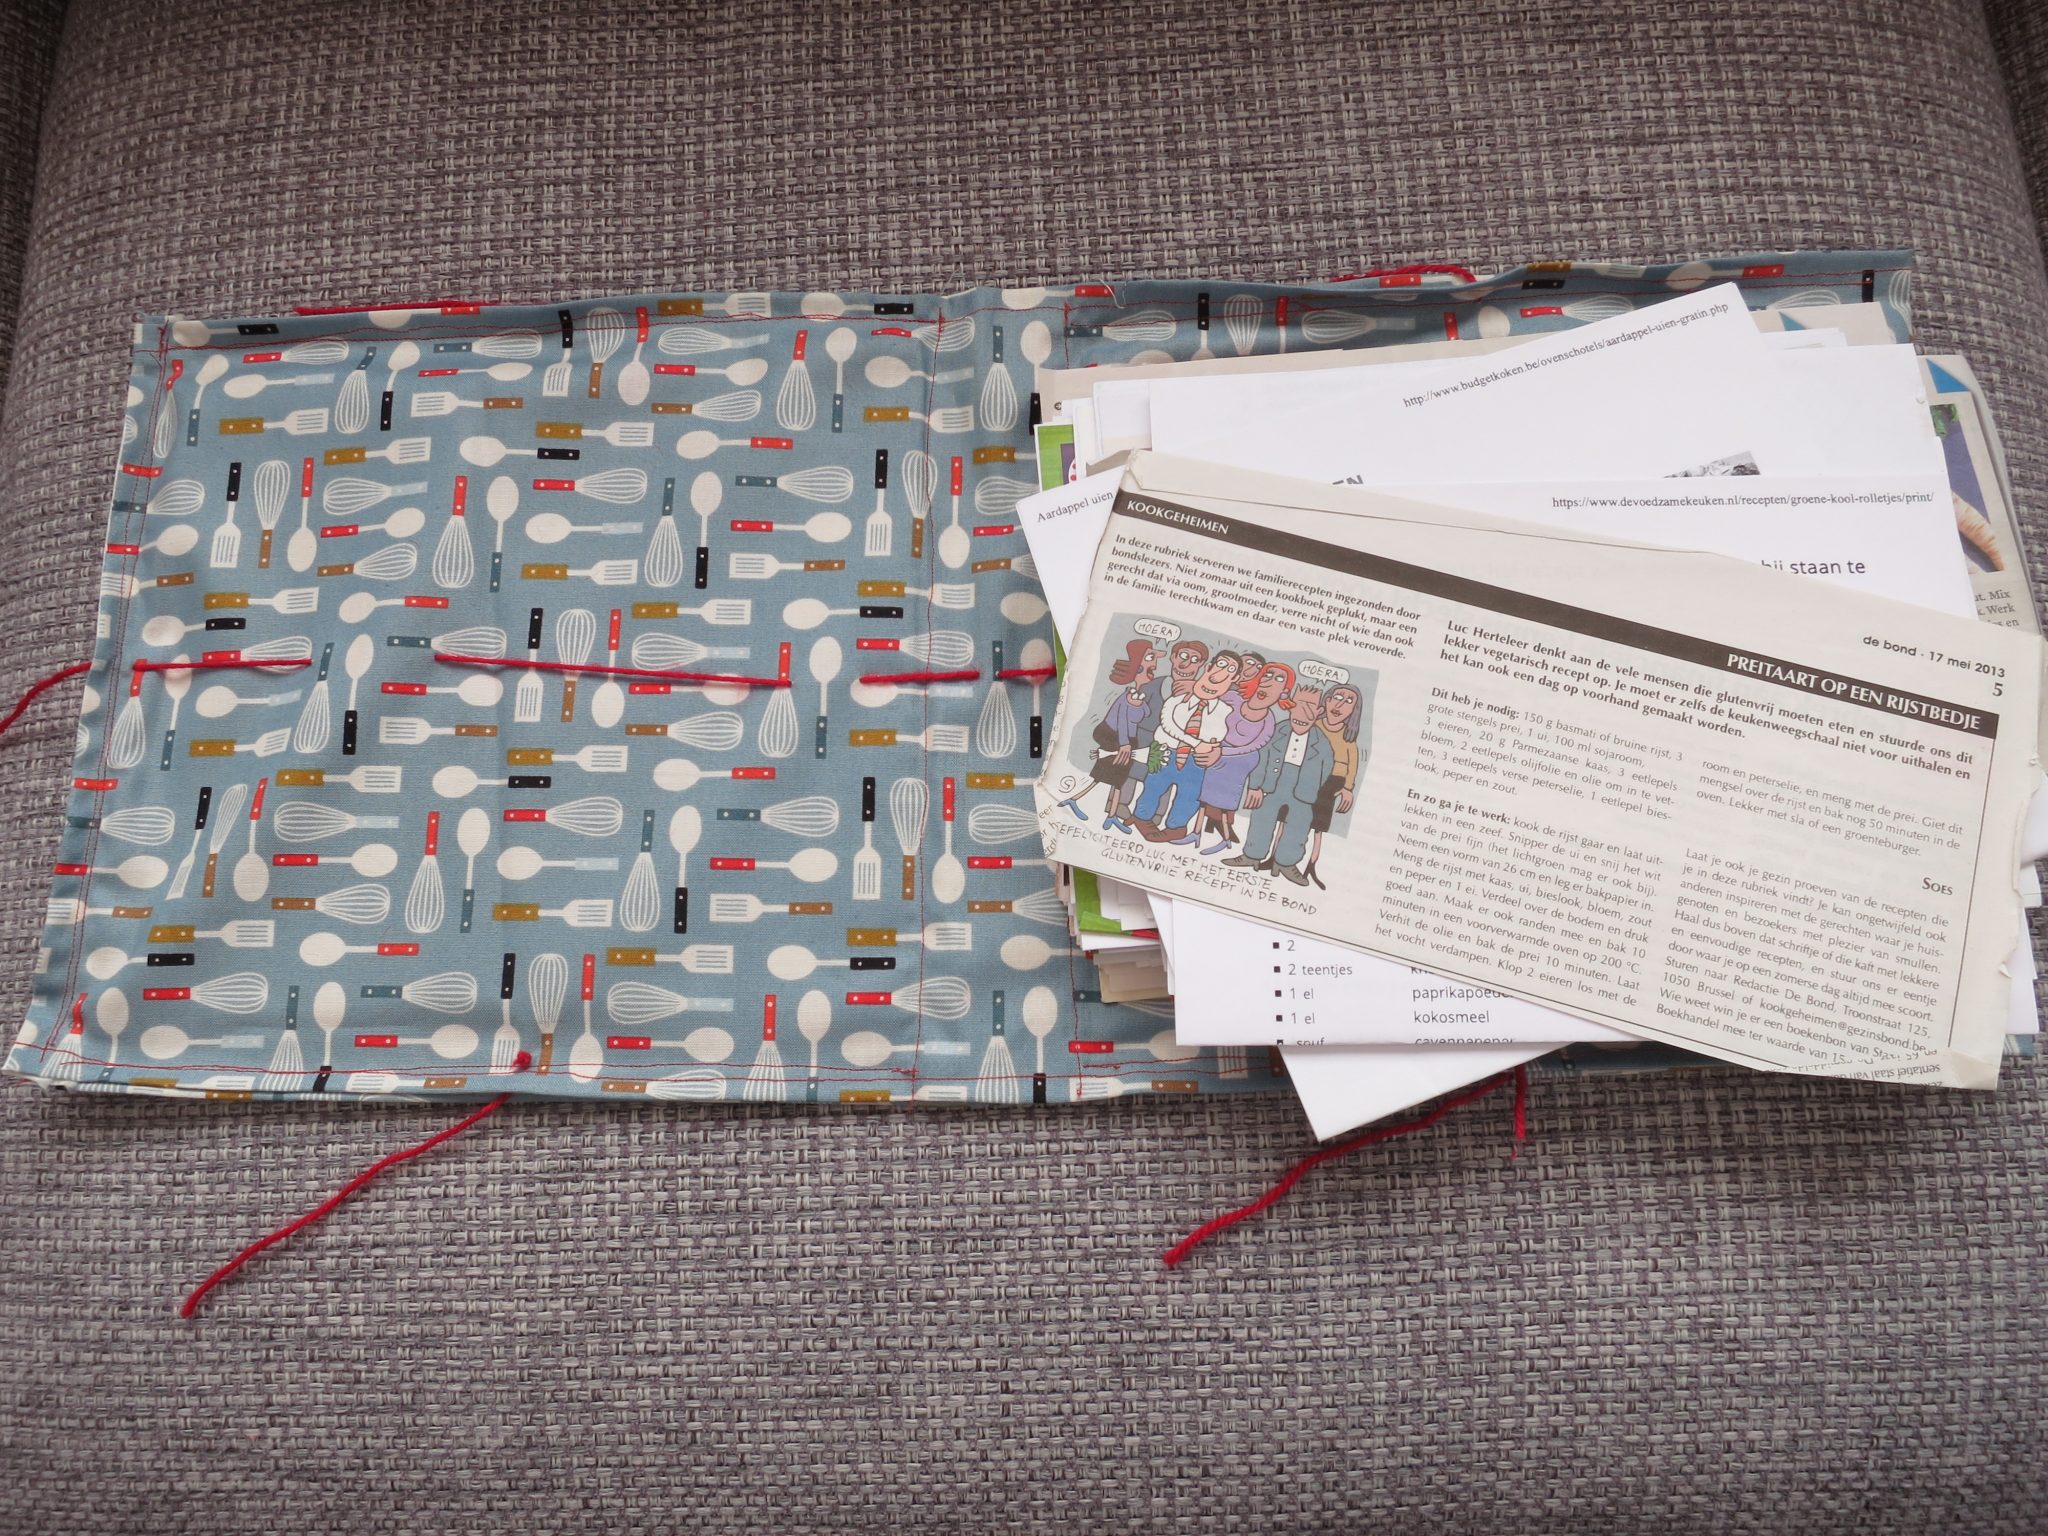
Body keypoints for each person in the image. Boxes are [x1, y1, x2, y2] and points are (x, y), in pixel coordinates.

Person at [1223, 682, 1333, 884]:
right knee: (1261, 817)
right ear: (1290, 705)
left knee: (1299, 824)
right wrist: (1255, 786)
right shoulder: (1277, 731)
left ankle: (1286, 863)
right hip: (1273, 783)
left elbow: (1326, 767)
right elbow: (1262, 758)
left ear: (1319, 712)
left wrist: (1312, 789)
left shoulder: (1321, 742)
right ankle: (1252, 855)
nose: (1302, 711)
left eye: (1310, 705)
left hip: (1303, 790)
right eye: (1298, 703)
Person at [1131, 649, 1241, 842]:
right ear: (1208, 668)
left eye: (1230, 671)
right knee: (1153, 786)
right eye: (1220, 665)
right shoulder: (1177, 700)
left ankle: (1176, 827)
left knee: (1189, 795)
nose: (1218, 679)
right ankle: (1142, 817)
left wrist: (1210, 747)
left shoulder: (1224, 711)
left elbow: (1219, 735)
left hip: (1194, 761)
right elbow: (1168, 724)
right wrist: (1196, 743)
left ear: (1234, 679)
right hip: (1166, 752)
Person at [1055, 639, 1159, 830]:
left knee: (1119, 779)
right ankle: (1073, 799)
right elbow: (1122, 721)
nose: (1155, 666)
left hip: (1127, 739)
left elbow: (1145, 713)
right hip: (1113, 736)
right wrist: (1124, 744)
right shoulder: (1126, 697)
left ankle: (1110, 816)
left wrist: (1140, 704)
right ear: (1137, 669)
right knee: (1104, 775)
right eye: (1150, 660)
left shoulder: (1136, 695)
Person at [1190, 660, 1290, 855]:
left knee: (1225, 801)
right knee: (1204, 795)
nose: (1269, 681)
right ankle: (1196, 833)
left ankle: (1225, 839)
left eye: (1279, 679)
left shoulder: (1269, 720)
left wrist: (1222, 752)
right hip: (1216, 749)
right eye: (1267, 675)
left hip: (1240, 760)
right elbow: (1210, 697)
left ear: (1284, 693)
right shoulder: (1234, 698)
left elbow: (1255, 745)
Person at [1303, 681, 1364, 888]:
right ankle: (1278, 858)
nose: (1340, 705)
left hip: (1333, 782)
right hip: (1309, 774)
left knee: (1318, 826)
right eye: (1336, 698)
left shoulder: (1348, 737)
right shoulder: (1314, 725)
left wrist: (1348, 788)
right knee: (1288, 817)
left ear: (1354, 711)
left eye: (1348, 701)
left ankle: (1311, 865)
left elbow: (1352, 765)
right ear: (1326, 701)